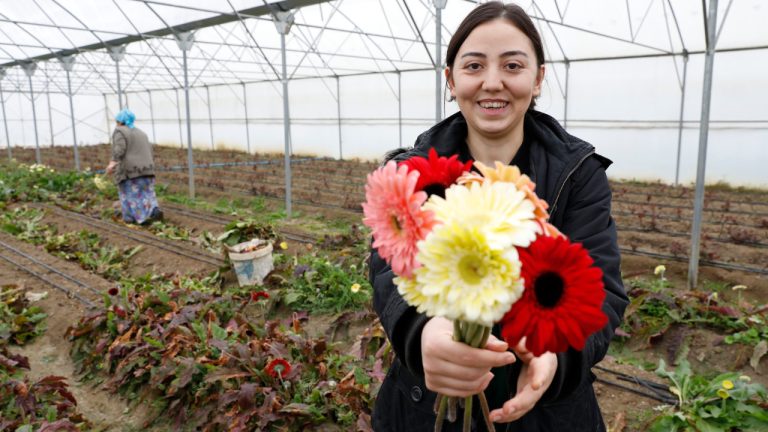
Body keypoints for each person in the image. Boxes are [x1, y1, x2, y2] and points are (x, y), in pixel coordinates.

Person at [369, 2, 628, 431]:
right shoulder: (412, 173)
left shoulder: (579, 175)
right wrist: (425, 331)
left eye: (512, 65)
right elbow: (387, 268)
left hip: (548, 416)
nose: (493, 83)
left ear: (538, 77)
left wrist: (555, 356)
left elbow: (601, 293)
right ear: (451, 80)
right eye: (474, 66)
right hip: (423, 408)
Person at [105, 108, 163, 225]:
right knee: (148, 194)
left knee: (129, 195)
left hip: (131, 171)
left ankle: (135, 219)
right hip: (147, 170)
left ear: (120, 121)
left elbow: (119, 149)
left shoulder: (120, 131)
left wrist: (112, 163)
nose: (116, 123)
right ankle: (153, 211)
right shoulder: (142, 133)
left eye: (117, 120)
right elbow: (150, 150)